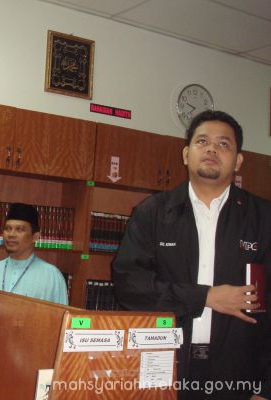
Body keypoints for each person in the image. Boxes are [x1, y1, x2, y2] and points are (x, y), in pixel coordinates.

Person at [112, 110, 270, 400]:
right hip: (163, 363)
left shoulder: (263, 218)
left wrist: (266, 388)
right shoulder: (152, 213)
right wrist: (205, 297)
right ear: (186, 154)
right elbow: (129, 285)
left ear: (238, 161)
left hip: (240, 375)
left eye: (223, 144)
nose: (212, 149)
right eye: (202, 141)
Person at [0, 202, 69, 305]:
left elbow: (63, 314)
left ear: (35, 237)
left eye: (19, 229)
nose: (11, 234)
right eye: (7, 229)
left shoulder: (52, 276)